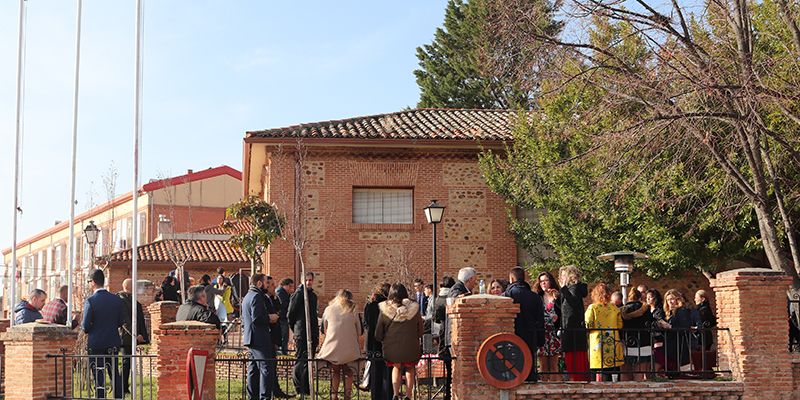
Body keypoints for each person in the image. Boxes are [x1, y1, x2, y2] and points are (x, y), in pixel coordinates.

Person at [376, 283, 424, 400]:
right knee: (409, 368)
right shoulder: (414, 308)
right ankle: (408, 395)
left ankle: (395, 394)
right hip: (411, 346)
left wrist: (383, 339)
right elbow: (420, 330)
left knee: (396, 368)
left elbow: (378, 332)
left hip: (392, 348)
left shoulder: (384, 309)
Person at [82, 269, 124, 399]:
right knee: (114, 372)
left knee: (98, 373)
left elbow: (85, 326)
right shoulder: (116, 300)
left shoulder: (91, 301)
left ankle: (100, 397)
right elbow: (120, 322)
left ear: (93, 282)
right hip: (113, 341)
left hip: (96, 343)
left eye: (89, 281)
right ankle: (118, 397)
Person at [318, 289, 363, 400]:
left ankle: (334, 395)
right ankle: (347, 395)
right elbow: (360, 331)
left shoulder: (329, 309)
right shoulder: (353, 310)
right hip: (350, 348)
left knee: (336, 370)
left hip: (332, 347)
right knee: (348, 371)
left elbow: (324, 328)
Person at [503, 267, 544, 382]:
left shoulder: (506, 295)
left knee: (512, 366)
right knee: (529, 365)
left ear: (511, 279)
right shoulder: (535, 297)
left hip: (512, 335)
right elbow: (540, 320)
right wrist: (541, 341)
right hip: (531, 335)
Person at [241, 273, 274, 400]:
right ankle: (264, 397)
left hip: (251, 337)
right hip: (259, 338)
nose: (267, 285)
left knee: (253, 369)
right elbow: (257, 318)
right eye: (266, 283)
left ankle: (252, 396)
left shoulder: (247, 296)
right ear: (259, 283)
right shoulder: (256, 297)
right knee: (266, 368)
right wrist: (270, 318)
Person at [287, 271, 319, 396]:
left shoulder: (313, 296)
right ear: (301, 280)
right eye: (306, 280)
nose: (308, 282)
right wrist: (296, 329)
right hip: (302, 332)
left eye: (310, 280)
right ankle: (299, 386)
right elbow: (291, 314)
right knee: (301, 360)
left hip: (312, 332)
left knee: (308, 360)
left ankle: (307, 386)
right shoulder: (298, 294)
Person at [585, 282, 624, 382]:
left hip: (598, 342)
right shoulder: (614, 308)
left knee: (595, 368)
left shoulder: (592, 307)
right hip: (612, 340)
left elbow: (588, 324)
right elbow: (620, 325)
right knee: (612, 368)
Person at [118, 278, 150, 394]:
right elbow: (125, 321)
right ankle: (121, 388)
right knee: (126, 362)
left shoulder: (131, 300)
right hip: (125, 336)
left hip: (130, 336)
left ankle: (124, 387)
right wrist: (135, 335)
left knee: (128, 362)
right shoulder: (121, 301)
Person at [558, 265, 590, 381]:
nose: (560, 278)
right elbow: (566, 308)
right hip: (570, 328)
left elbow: (573, 302)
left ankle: (577, 380)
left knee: (575, 360)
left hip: (573, 330)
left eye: (562, 275)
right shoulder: (570, 289)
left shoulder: (574, 288)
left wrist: (563, 289)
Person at [363, 283, 392, 400]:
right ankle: (387, 395)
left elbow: (366, 324)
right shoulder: (389, 306)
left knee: (375, 372)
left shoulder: (369, 305)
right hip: (386, 342)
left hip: (372, 343)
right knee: (387, 372)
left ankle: (375, 396)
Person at [655, 289, 693, 374]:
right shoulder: (669, 313)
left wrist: (669, 326)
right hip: (669, 343)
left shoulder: (682, 311)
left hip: (678, 344)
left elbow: (685, 328)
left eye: (672, 299)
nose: (670, 302)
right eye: (668, 300)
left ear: (677, 299)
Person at [532, 272, 561, 381]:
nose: (543, 283)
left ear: (551, 282)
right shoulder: (537, 297)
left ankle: (556, 391)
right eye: (541, 281)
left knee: (554, 366)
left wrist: (557, 299)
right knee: (543, 367)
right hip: (542, 334)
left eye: (546, 280)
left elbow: (563, 311)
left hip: (554, 334)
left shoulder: (557, 295)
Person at [620, 287, 652, 381]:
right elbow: (650, 323)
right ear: (639, 297)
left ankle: (625, 393)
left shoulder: (622, 310)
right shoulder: (645, 308)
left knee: (625, 372)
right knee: (639, 372)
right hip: (643, 343)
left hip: (626, 343)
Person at [432, 276, 455, 400]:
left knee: (448, 368)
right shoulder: (453, 297)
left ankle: (447, 393)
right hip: (452, 334)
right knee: (453, 368)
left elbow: (435, 320)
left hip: (441, 334)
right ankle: (450, 393)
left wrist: (435, 336)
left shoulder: (438, 299)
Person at [646, 288, 665, 370]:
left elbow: (659, 323)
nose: (648, 299)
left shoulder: (659, 311)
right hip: (649, 338)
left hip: (658, 338)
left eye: (650, 297)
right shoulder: (646, 310)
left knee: (657, 360)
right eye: (647, 297)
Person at [276, 278, 295, 355]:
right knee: (283, 336)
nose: (291, 289)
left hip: (283, 318)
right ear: (285, 286)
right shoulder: (281, 293)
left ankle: (284, 351)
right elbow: (283, 306)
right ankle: (283, 352)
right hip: (282, 318)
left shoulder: (284, 293)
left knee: (284, 336)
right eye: (290, 286)